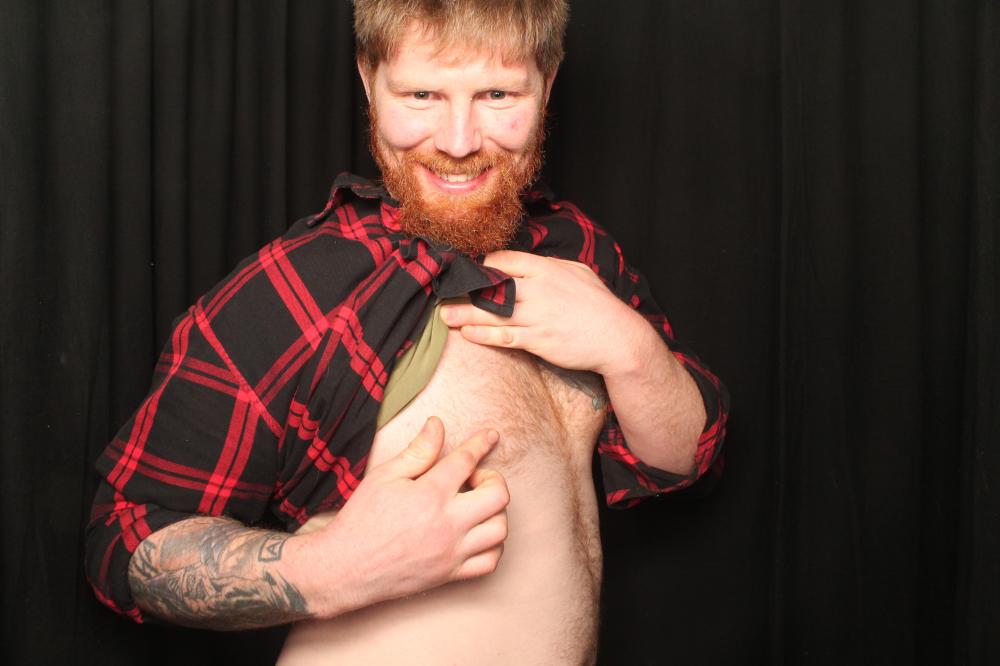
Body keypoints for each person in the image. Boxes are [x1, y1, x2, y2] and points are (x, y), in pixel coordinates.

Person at [85, 1, 728, 663]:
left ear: (549, 81)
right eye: (422, 95)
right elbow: (123, 540)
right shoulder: (298, 290)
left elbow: (683, 462)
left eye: (497, 95)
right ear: (369, 82)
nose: (458, 141)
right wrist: (330, 568)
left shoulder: (580, 252)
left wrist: (629, 349)